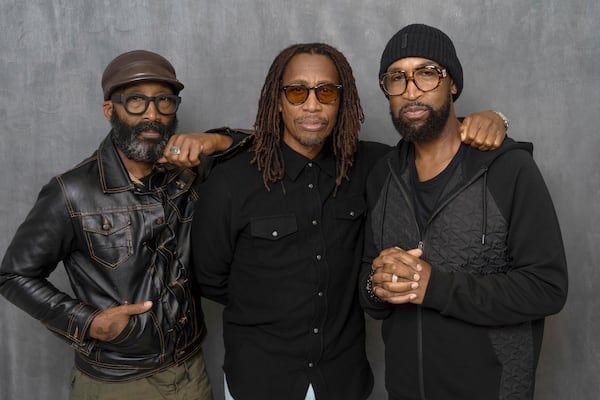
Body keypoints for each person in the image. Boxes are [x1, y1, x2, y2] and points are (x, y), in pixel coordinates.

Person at [190, 42, 507, 400]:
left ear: (342, 100)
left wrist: (490, 120)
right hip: (260, 380)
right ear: (277, 101)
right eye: (296, 92)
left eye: (326, 92)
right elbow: (210, 278)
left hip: (342, 381)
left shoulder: (376, 166)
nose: (312, 105)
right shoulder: (230, 182)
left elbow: (433, 140)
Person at [0, 49, 248, 400]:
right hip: (116, 382)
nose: (152, 115)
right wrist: (88, 322)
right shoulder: (71, 192)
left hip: (191, 372)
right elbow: (14, 275)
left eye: (164, 102)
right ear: (109, 110)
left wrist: (215, 140)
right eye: (136, 102)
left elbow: (267, 149)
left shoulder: (188, 174)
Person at [358, 24, 568, 400]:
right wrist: (377, 286)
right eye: (396, 78)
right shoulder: (381, 176)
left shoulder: (509, 170)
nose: (411, 91)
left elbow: (547, 289)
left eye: (426, 73)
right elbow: (367, 289)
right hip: (405, 391)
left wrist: (434, 287)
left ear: (452, 83)